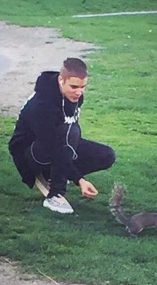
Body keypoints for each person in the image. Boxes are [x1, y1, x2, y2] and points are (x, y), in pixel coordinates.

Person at [8, 58, 116, 214]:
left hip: (57, 142)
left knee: (106, 155)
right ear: (61, 80)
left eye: (83, 87)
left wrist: (71, 172)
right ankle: (55, 194)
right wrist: (79, 180)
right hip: (30, 153)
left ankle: (52, 175)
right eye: (74, 86)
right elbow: (53, 145)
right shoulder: (42, 104)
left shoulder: (74, 97)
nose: (79, 92)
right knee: (70, 132)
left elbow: (65, 140)